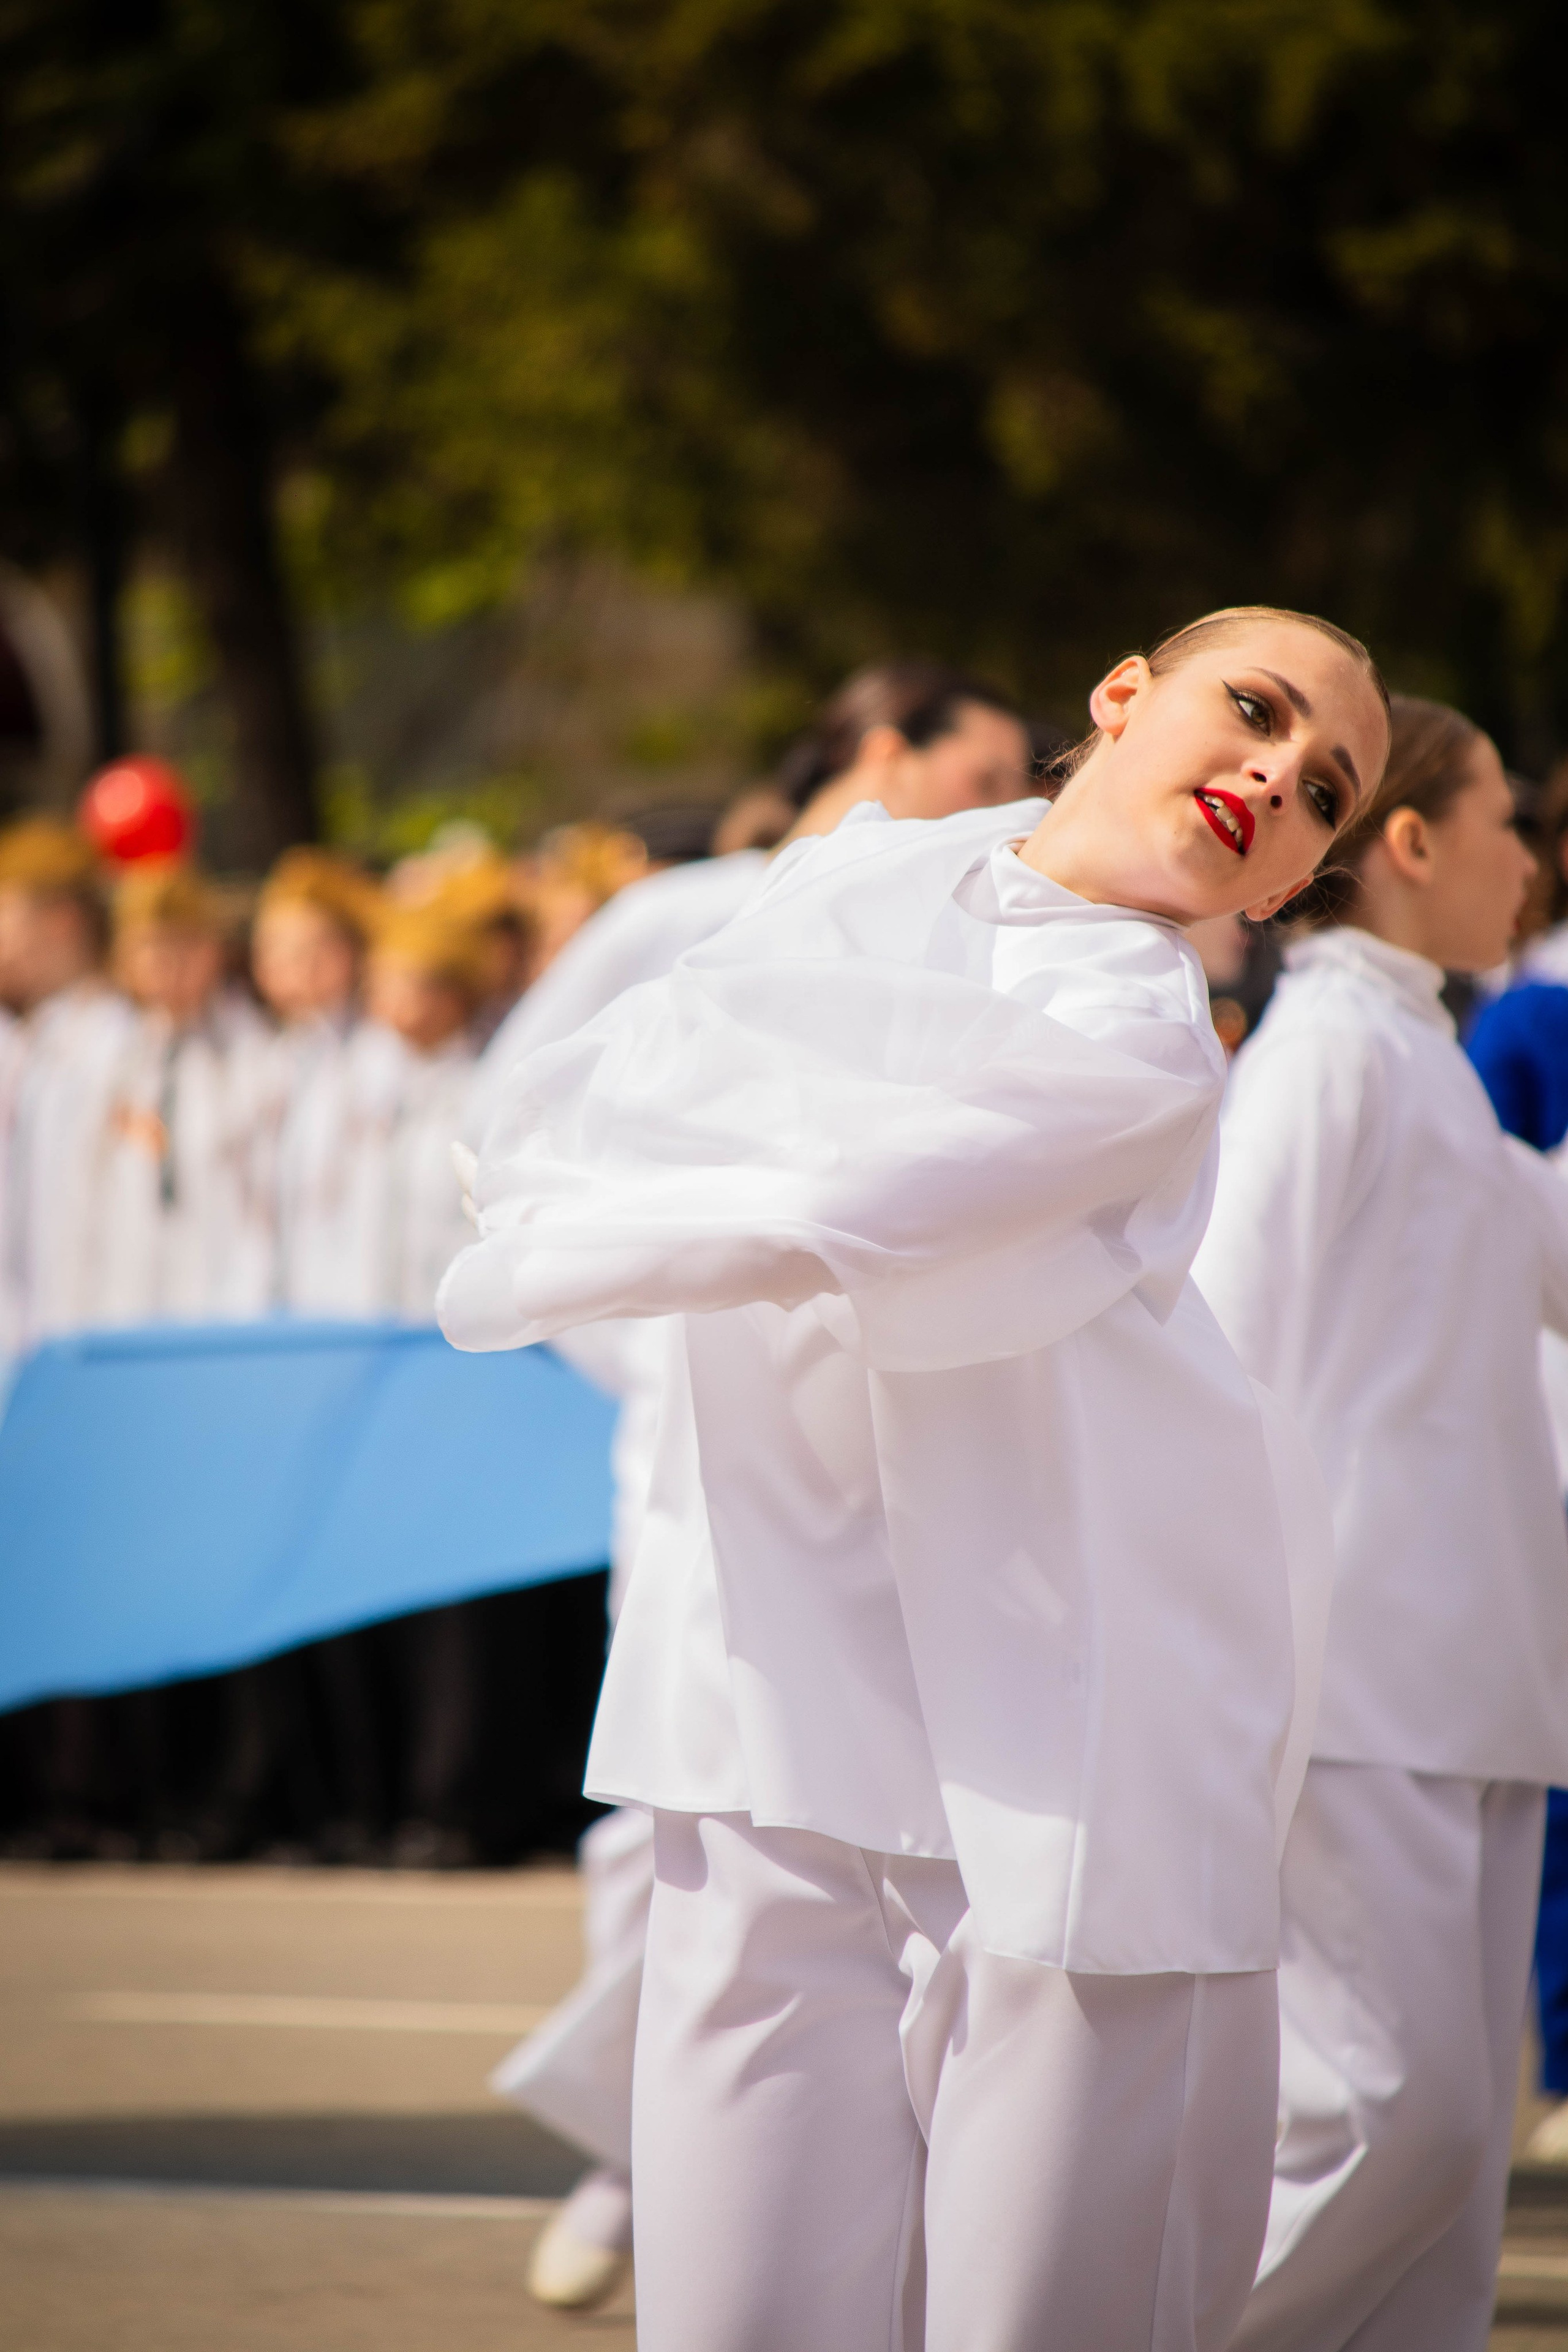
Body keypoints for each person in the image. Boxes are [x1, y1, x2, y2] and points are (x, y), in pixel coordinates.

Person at [442, 608, 1385, 2352]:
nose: (1273, 774)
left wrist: (644, 1179)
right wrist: (639, 1174)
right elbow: (586, 1112)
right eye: (1250, 713)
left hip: (1055, 1754)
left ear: (1286, 891)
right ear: (1121, 697)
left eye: (1321, 790)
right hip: (768, 1710)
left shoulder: (1142, 1046)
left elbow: (845, 1196)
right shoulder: (843, 886)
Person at [480, 661, 1035, 2312]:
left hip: (889, 1442)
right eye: (986, 767)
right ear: (884, 754)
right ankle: (635, 2156)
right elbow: (518, 1115)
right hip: (701, 1421)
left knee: (854, 1815)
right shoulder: (701, 912)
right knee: (683, 1809)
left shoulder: (976, 929)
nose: (1014, 801)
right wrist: (651, 1354)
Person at [1193, 695, 1568, 2351]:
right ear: (1410, 844)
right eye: (1510, 820)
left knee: (1451, 2166)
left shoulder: (1413, 1046)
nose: (1533, 862)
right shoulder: (1327, 1059)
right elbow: (1216, 1345)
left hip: (1466, 1676)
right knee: (1382, 2122)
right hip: (1356, 1685)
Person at [92, 860, 274, 1324]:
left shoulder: (253, 1057)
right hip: (128, 1298)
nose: (166, 964)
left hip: (224, 1301)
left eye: (184, 946)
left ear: (214, 953)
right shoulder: (112, 1059)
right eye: (150, 947)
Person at [0, 818, 130, 1359]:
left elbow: (127, 1227)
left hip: (87, 1350)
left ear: (60, 922)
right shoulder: (30, 1045)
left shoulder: (121, 1050)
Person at [251, 847, 390, 1314]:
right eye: (278, 951)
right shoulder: (273, 1058)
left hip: (355, 1303)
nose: (297, 968)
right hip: (281, 1300)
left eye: (315, 950)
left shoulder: (378, 1059)